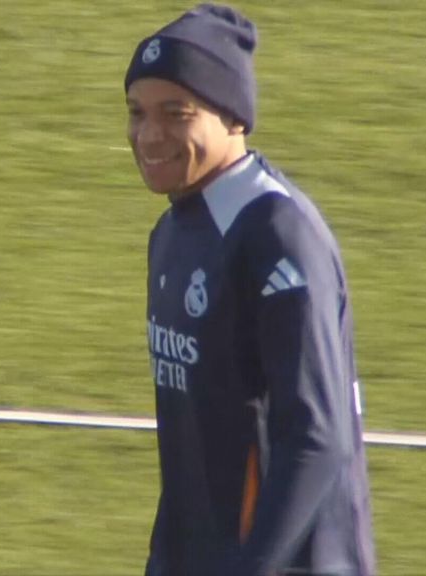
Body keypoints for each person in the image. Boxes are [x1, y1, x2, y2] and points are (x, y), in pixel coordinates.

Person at [124, 4, 377, 575]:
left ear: (233, 117)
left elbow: (317, 439)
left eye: (176, 113)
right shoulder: (172, 232)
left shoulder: (277, 234)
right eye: (137, 112)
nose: (149, 134)